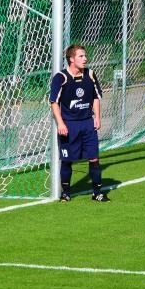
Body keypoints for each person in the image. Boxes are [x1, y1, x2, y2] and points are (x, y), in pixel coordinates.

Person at [49, 44, 110, 202]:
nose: (85, 59)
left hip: (87, 124)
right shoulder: (61, 78)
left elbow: (96, 97)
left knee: (94, 158)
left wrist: (97, 117)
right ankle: (66, 193)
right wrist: (61, 123)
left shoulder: (90, 74)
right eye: (81, 56)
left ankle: (97, 193)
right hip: (69, 125)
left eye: (85, 56)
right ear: (71, 59)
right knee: (67, 159)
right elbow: (54, 102)